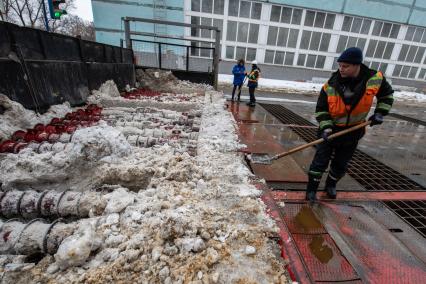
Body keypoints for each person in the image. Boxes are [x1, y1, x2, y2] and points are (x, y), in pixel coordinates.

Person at [306, 47, 394, 201]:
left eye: (345, 66)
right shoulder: (331, 85)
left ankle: (331, 185)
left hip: (354, 131)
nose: (341, 69)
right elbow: (321, 109)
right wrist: (326, 127)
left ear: (357, 65)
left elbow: (386, 95)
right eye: (340, 65)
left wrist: (380, 112)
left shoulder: (374, 78)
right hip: (331, 130)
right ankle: (311, 189)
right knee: (320, 162)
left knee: (341, 163)